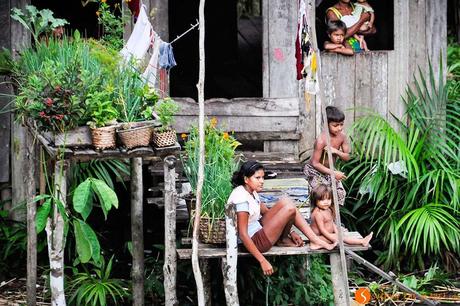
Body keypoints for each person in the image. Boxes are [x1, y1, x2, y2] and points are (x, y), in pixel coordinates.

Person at [228, 160, 337, 276]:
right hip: (255, 242)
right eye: (257, 178)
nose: (262, 181)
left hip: (258, 229)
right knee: (290, 208)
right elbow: (243, 235)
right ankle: (315, 241)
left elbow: (267, 213)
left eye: (263, 177)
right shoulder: (241, 199)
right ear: (246, 179)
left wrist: (291, 231)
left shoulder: (250, 192)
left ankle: (285, 239)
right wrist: (262, 260)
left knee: (286, 201)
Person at [304, 106, 350, 206]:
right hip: (315, 171)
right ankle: (318, 218)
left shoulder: (342, 137)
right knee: (321, 194)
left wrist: (336, 151)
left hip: (329, 171)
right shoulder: (321, 140)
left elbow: (347, 157)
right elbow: (314, 163)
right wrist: (333, 173)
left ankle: (332, 220)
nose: (339, 128)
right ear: (326, 124)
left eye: (341, 124)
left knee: (339, 193)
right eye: (335, 125)